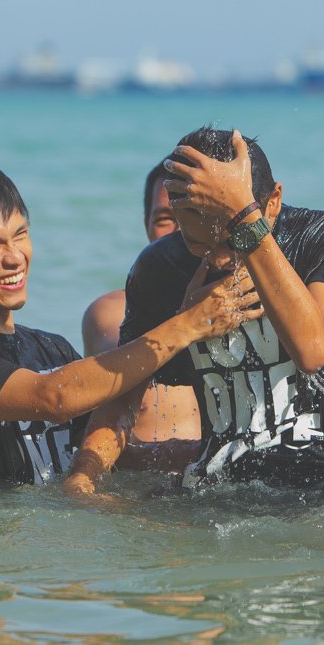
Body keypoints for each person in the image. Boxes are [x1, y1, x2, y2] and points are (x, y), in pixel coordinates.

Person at [64, 127, 324, 493]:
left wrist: (246, 223)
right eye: (197, 243)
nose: (220, 259)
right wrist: (82, 478)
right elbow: (124, 399)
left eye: (230, 239)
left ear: (273, 203)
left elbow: (313, 348)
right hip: (219, 488)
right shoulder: (159, 268)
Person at [0, 158, 259, 483]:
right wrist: (188, 324)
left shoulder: (51, 349)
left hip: (46, 542)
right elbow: (54, 398)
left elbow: (106, 457)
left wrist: (217, 455)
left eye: (21, 235)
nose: (15, 258)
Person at [81, 159, 202, 466]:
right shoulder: (109, 312)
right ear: (146, 224)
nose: (180, 231)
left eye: (192, 214)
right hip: (142, 494)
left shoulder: (245, 309)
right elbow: (123, 365)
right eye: (165, 218)